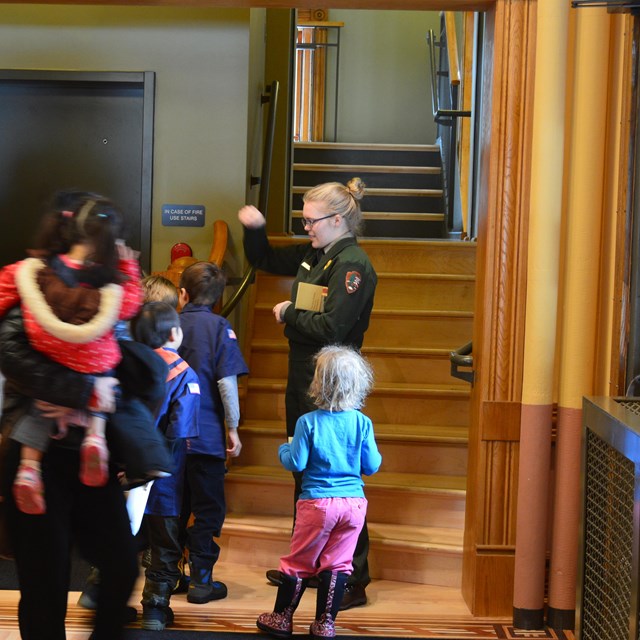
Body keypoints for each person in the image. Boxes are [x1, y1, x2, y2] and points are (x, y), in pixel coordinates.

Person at [238, 177, 377, 609]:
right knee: (306, 477)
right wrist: (255, 228)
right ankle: (311, 563)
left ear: (338, 220)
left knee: (335, 481)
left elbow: (333, 327)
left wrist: (289, 313)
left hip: (331, 383)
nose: (306, 229)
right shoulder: (316, 254)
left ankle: (352, 577)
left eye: (311, 221)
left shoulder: (352, 265)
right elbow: (262, 258)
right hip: (304, 375)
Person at [0, 192, 143, 514]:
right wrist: (129, 265)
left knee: (38, 408)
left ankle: (28, 468)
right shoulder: (108, 286)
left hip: (48, 359)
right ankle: (96, 437)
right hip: (91, 364)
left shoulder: (34, 274)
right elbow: (132, 304)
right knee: (104, 374)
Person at [256, 345, 381, 640]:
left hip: (317, 503)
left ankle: (281, 618)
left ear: (318, 383)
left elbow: (296, 463)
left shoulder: (307, 422)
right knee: (338, 564)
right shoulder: (362, 422)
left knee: (299, 562)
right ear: (359, 383)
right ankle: (325, 623)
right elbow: (372, 465)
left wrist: (284, 448)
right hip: (353, 504)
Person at [177, 261, 249, 604]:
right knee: (208, 507)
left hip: (171, 437)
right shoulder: (221, 328)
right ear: (218, 298)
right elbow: (226, 382)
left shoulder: (169, 324)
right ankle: (201, 579)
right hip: (206, 437)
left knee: (173, 504)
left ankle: (167, 574)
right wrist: (232, 427)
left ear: (182, 294)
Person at [129, 301, 200, 631]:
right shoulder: (184, 374)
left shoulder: (126, 366)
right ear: (175, 333)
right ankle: (155, 607)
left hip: (125, 471)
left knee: (123, 534)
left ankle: (101, 590)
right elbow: (180, 430)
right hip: (165, 476)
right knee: (164, 542)